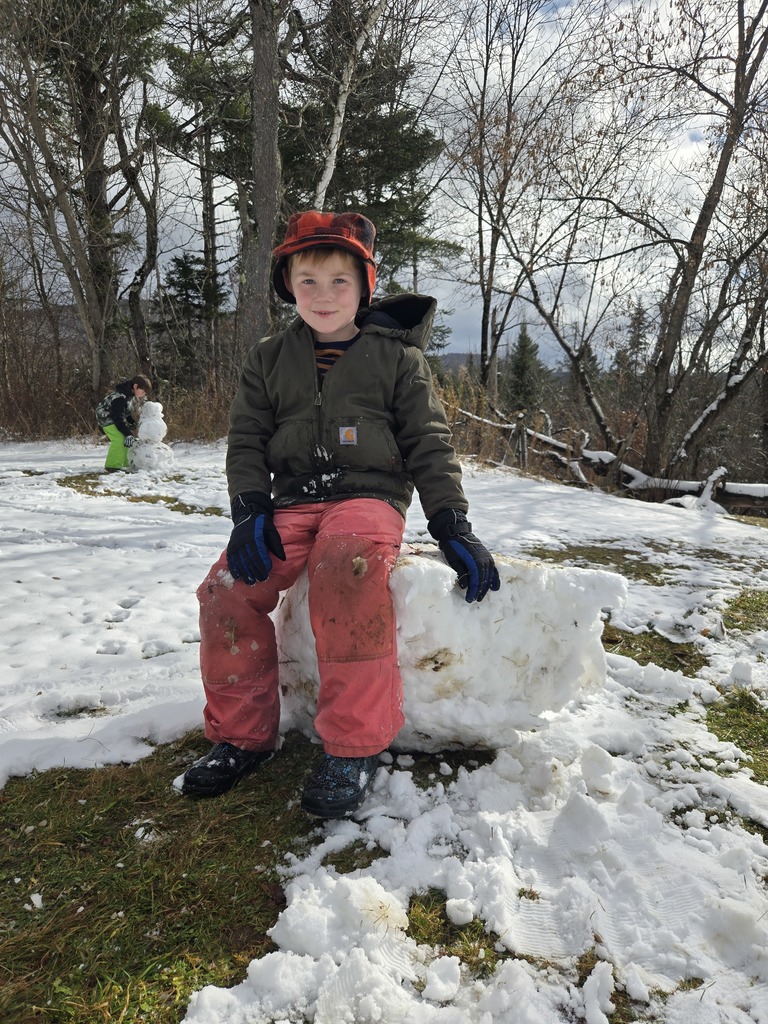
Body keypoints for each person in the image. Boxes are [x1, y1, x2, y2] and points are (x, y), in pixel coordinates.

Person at [177, 210, 500, 818]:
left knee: (345, 569)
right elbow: (247, 439)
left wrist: (451, 523)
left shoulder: (397, 360)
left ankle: (352, 745)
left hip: (368, 497)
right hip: (292, 500)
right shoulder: (270, 359)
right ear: (288, 287)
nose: (323, 296)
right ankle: (241, 736)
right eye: (308, 282)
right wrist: (249, 509)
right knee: (225, 589)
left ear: (365, 287)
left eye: (340, 282)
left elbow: (430, 445)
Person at [95, 375, 151, 472]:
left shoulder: (129, 396)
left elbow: (126, 413)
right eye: (143, 391)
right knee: (120, 439)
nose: (143, 395)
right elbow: (118, 417)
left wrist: (132, 422)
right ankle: (112, 466)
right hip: (106, 419)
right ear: (136, 386)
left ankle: (126, 464)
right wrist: (128, 433)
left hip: (115, 418)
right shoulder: (120, 398)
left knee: (127, 440)